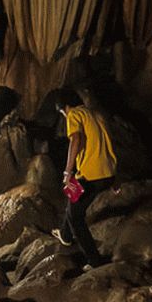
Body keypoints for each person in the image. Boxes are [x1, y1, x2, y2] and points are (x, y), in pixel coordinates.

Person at [51, 88, 116, 270]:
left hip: (91, 174)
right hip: (108, 172)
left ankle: (94, 261)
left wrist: (67, 171)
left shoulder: (74, 114)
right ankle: (65, 235)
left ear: (65, 107)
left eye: (62, 113)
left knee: (76, 217)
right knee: (73, 196)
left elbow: (76, 140)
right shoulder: (95, 114)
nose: (64, 116)